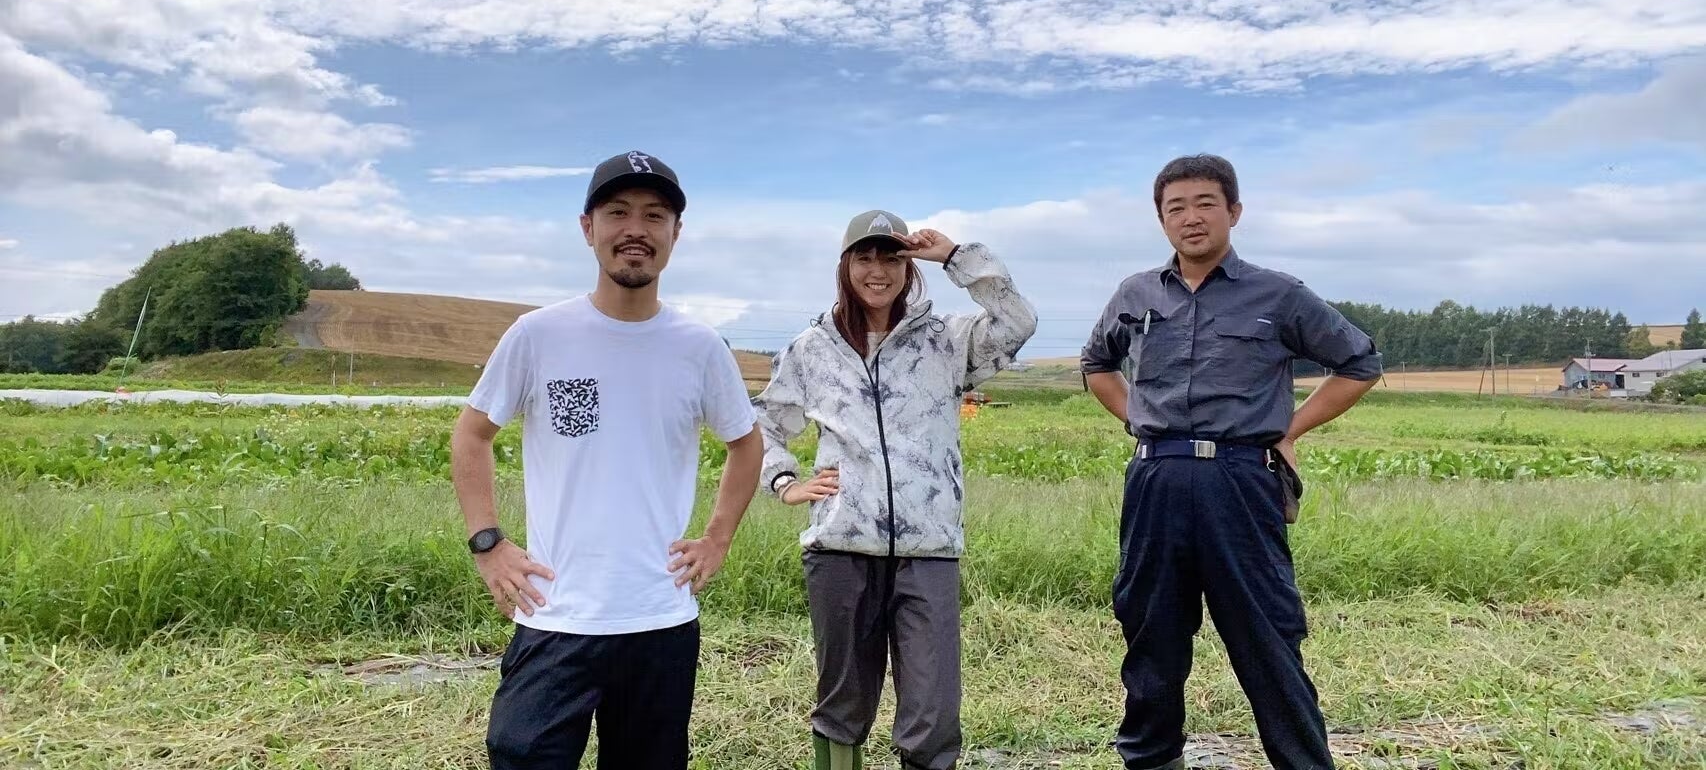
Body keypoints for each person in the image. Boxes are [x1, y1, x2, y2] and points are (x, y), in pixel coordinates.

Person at [450, 150, 764, 770]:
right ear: (587, 227)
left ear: (675, 233)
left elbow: (746, 443)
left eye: (655, 215)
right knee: (520, 754)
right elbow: (471, 435)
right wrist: (488, 543)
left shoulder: (699, 347)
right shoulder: (539, 335)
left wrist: (718, 539)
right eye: (618, 212)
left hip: (659, 617)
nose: (636, 229)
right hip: (556, 612)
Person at [1080, 154, 1382, 770]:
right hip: (1156, 480)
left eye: (1205, 204)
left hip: (1241, 481)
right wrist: (1138, 418)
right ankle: (1152, 761)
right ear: (1161, 220)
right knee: (1151, 632)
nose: (1190, 218)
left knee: (1267, 635)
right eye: (1176, 208)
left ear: (1234, 212)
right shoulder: (1135, 293)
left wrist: (1289, 430)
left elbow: (1359, 363)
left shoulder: (1279, 294)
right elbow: (1096, 365)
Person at [755, 210, 1038, 770]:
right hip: (841, 548)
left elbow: (1017, 322)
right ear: (845, 266)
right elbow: (764, 422)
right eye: (864, 258)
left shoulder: (946, 341)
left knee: (933, 710)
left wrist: (956, 256)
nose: (878, 271)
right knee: (843, 702)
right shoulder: (812, 348)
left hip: (928, 549)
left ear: (910, 267)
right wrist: (785, 482)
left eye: (891, 258)